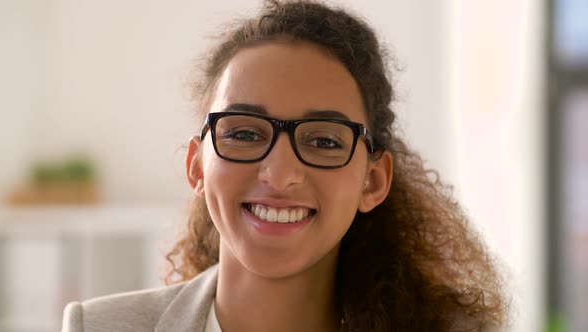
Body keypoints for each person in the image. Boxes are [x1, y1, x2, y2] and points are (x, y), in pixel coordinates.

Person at [62, 1, 509, 331]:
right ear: (197, 166)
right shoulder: (98, 326)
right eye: (244, 133)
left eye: (322, 140)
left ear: (372, 181)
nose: (279, 174)